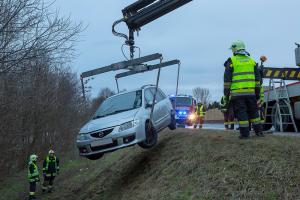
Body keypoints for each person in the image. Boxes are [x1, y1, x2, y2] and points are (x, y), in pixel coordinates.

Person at [224, 40, 264, 139]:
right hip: (251, 93)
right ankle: (259, 132)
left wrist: (226, 93)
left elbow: (227, 80)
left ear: (234, 49)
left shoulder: (232, 61)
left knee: (242, 113)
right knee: (254, 112)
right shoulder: (251, 61)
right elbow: (258, 79)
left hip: (237, 94)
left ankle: (245, 134)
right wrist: (257, 93)